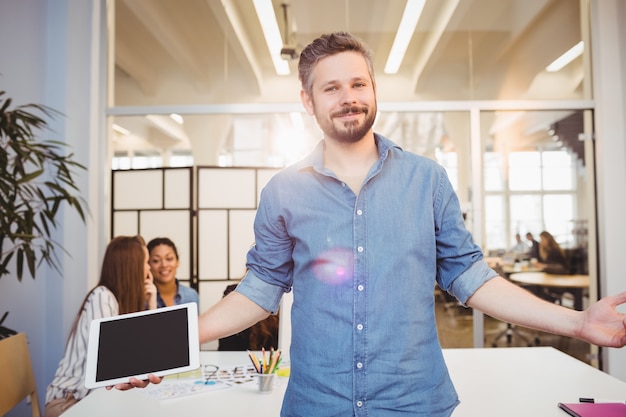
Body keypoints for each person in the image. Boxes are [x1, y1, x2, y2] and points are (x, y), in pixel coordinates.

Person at [119, 32, 626, 416]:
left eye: (358, 83)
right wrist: (165, 343)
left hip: (414, 402)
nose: (349, 97)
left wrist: (578, 323)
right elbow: (259, 289)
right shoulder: (283, 192)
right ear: (308, 100)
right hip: (317, 404)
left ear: (374, 89)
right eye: (331, 87)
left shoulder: (426, 180)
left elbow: (471, 278)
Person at [44, 235, 157, 417]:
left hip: (93, 400)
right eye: (146, 262)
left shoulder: (116, 301)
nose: (149, 268)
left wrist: (151, 305)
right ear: (131, 267)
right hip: (68, 403)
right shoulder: (102, 297)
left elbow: (145, 356)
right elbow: (112, 362)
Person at [147, 237, 199, 308]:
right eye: (156, 261)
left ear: (177, 262)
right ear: (148, 264)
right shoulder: (143, 297)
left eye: (169, 259)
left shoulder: (191, 295)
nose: (164, 265)